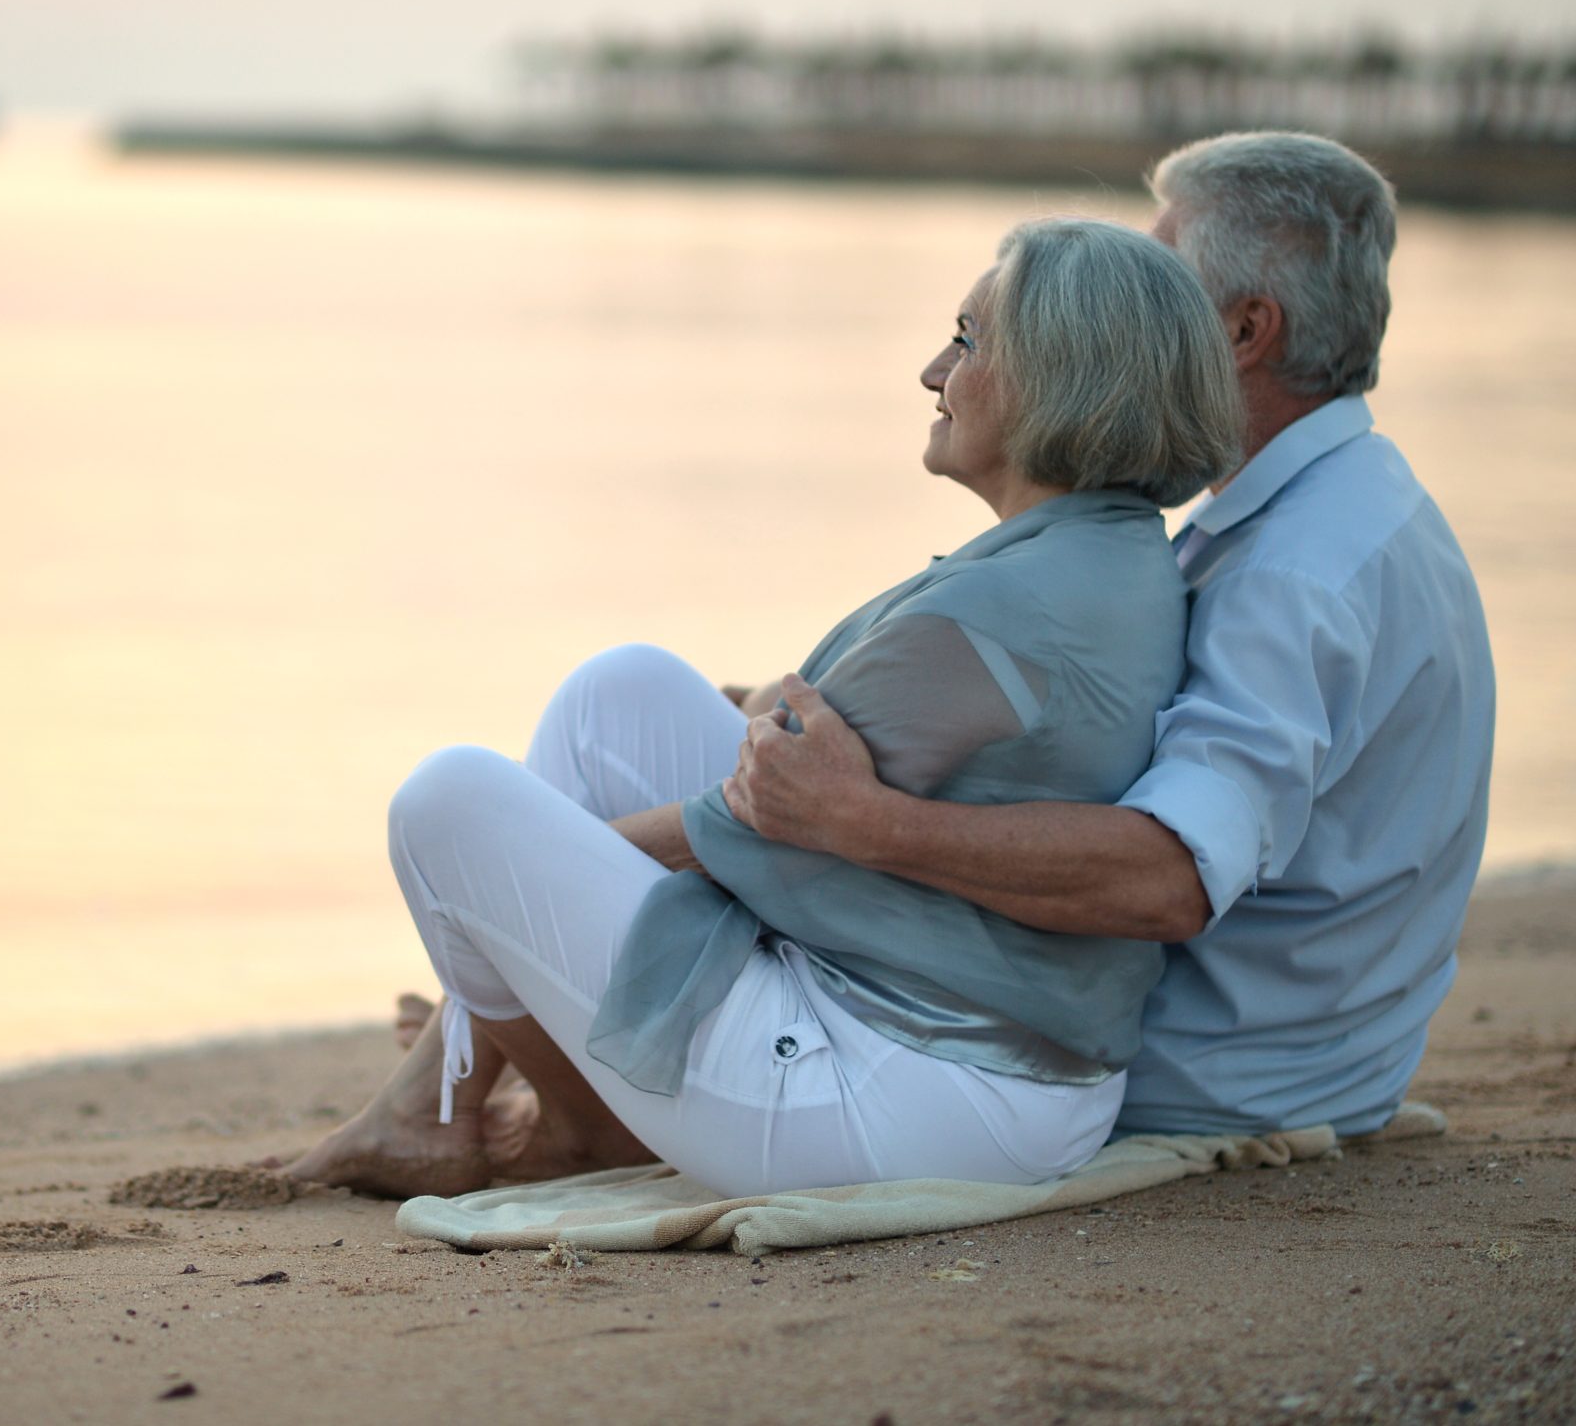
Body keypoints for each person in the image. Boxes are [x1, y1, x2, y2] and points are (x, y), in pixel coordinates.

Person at [284, 217, 1244, 1200]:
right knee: (621, 693)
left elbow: (746, 825)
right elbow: (818, 754)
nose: (930, 372)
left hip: (911, 1097)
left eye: (965, 342)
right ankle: (439, 1104)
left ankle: (559, 1126)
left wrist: (504, 900)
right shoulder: (1106, 555)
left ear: (1056, 376)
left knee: (449, 805)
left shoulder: (1001, 605)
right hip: (1008, 1075)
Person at [724, 131, 1497, 1139]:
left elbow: (1168, 877)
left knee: (766, 861)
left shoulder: (1290, 578)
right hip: (1313, 1054)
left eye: (1153, 271)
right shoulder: (1362, 504)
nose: (1109, 294)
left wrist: (857, 820)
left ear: (1242, 331)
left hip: (1207, 1074)